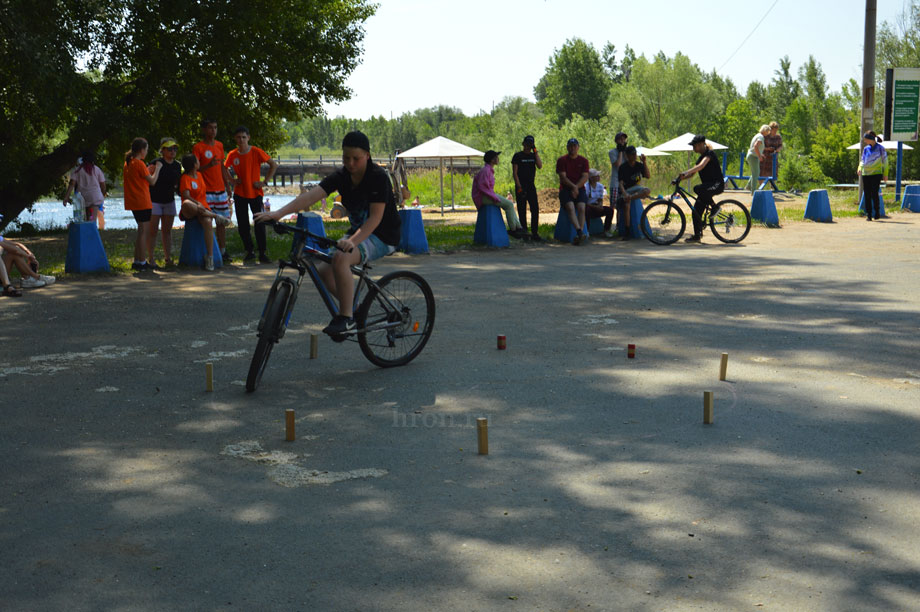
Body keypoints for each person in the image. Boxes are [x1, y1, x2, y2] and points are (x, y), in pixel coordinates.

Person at [253, 131, 401, 338]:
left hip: (383, 235)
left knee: (341, 258)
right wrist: (277, 214)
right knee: (323, 270)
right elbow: (311, 197)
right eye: (346, 158)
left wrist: (351, 241)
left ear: (367, 155)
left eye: (356, 159)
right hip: (358, 234)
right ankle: (354, 308)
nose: (350, 163)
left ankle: (346, 317)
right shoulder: (342, 176)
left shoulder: (377, 178)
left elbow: (375, 219)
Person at [225, 126, 278, 263]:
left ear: (248, 137)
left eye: (244, 137)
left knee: (259, 223)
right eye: (238, 137)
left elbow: (273, 164)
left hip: (255, 193)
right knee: (243, 225)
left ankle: (262, 253)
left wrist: (264, 182)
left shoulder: (256, 151)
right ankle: (249, 251)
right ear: (235, 139)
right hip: (240, 193)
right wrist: (232, 180)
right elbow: (223, 168)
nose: (241, 140)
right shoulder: (232, 154)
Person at [178, 154, 231, 270]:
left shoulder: (200, 175)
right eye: (197, 161)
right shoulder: (185, 178)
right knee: (187, 203)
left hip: (203, 208)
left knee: (207, 221)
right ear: (194, 164)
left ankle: (210, 257)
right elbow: (186, 196)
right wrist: (197, 203)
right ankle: (216, 216)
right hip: (191, 208)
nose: (199, 162)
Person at [193, 119, 233, 262]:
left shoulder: (220, 145)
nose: (213, 131)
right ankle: (208, 252)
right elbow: (195, 169)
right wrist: (208, 165)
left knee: (222, 222)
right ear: (204, 130)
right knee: (206, 221)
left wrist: (227, 185)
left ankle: (222, 252)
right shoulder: (198, 147)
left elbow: (222, 166)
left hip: (220, 190)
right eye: (210, 128)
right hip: (205, 191)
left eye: (215, 128)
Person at [123, 137, 163, 271]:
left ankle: (137, 260)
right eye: (146, 149)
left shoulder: (129, 162)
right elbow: (152, 182)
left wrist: (148, 170)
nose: (146, 152)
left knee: (141, 231)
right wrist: (157, 169)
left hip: (134, 201)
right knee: (143, 232)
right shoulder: (139, 163)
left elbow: (140, 178)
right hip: (142, 201)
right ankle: (141, 261)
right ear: (141, 150)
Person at [678, 134, 725, 243]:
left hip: (716, 185)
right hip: (707, 188)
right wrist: (680, 178)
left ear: (700, 145)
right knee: (696, 211)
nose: (693, 148)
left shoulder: (710, 154)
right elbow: (693, 173)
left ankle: (714, 207)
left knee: (697, 188)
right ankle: (697, 235)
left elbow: (701, 166)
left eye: (694, 146)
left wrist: (686, 171)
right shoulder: (701, 157)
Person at [472, 150, 526, 239]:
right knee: (509, 205)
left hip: (486, 195)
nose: (498, 159)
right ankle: (514, 229)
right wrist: (494, 197)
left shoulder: (488, 170)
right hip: (483, 197)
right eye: (496, 157)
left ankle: (518, 227)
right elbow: (483, 188)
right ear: (492, 160)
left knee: (509, 205)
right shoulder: (486, 171)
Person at [147, 138, 182, 267]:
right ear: (162, 150)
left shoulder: (177, 165)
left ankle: (168, 259)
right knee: (153, 231)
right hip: (154, 200)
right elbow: (147, 179)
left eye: (175, 149)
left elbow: (178, 184)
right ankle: (151, 259)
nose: (173, 151)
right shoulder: (156, 162)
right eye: (170, 149)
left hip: (169, 201)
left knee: (167, 231)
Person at [556, 138, 590, 245]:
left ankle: (579, 235)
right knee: (570, 207)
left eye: (574, 146)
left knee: (581, 208)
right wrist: (573, 188)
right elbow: (563, 177)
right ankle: (579, 232)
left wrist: (576, 187)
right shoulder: (562, 160)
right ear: (567, 147)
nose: (572, 148)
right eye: (570, 146)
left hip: (580, 188)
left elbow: (585, 177)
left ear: (578, 147)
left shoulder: (584, 161)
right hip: (565, 189)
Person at [511, 135, 543, 240]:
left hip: (531, 185)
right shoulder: (517, 156)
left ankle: (535, 232)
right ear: (523, 143)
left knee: (535, 208)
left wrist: (535, 151)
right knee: (522, 209)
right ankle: (524, 231)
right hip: (521, 185)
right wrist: (519, 186)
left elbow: (540, 165)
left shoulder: (533, 156)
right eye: (527, 143)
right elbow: (515, 173)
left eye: (530, 144)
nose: (528, 146)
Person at [63, 150, 107, 223]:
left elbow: (72, 184)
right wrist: (102, 195)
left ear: (83, 159)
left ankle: (87, 231)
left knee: (86, 218)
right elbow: (103, 185)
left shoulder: (77, 170)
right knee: (93, 219)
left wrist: (66, 197)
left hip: (84, 197)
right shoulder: (96, 169)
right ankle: (92, 231)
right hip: (95, 197)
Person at [857, 131, 889, 222]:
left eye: (866, 139)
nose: (865, 141)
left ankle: (877, 212)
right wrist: (859, 168)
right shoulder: (866, 149)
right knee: (867, 194)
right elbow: (862, 160)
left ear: (870, 139)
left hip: (876, 174)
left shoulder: (880, 148)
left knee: (874, 194)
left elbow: (885, 162)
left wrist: (885, 174)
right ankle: (869, 214)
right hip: (866, 174)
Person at [584, 168, 613, 237]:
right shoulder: (586, 187)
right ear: (591, 178)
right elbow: (584, 202)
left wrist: (600, 206)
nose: (598, 177)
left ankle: (606, 230)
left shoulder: (600, 186)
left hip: (596, 206)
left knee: (610, 210)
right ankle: (586, 231)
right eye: (596, 176)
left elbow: (600, 199)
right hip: (589, 207)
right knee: (586, 210)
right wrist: (595, 207)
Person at [745, 125, 770, 194]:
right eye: (768, 132)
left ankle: (749, 186)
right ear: (765, 131)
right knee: (756, 173)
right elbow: (755, 146)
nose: (768, 134)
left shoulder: (757, 135)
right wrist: (759, 156)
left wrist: (760, 154)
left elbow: (755, 148)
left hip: (751, 155)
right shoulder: (761, 137)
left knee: (755, 172)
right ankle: (753, 191)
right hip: (753, 157)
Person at [607, 131, 628, 207]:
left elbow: (629, 163)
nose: (622, 141)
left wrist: (624, 151)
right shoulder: (612, 152)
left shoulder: (627, 151)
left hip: (625, 182)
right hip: (615, 182)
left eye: (624, 139)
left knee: (624, 205)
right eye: (620, 139)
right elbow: (618, 164)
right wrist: (620, 151)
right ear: (616, 141)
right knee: (614, 204)